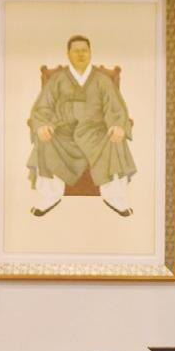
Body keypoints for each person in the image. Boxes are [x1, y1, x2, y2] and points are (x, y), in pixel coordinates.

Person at [27, 34, 136, 217]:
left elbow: (116, 108)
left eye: (84, 50)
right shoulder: (58, 79)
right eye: (76, 51)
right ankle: (49, 197)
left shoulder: (102, 80)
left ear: (90, 53)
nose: (80, 54)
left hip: (96, 133)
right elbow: (42, 107)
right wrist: (42, 125)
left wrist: (118, 125)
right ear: (68, 54)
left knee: (115, 140)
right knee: (45, 140)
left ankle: (115, 198)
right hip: (63, 132)